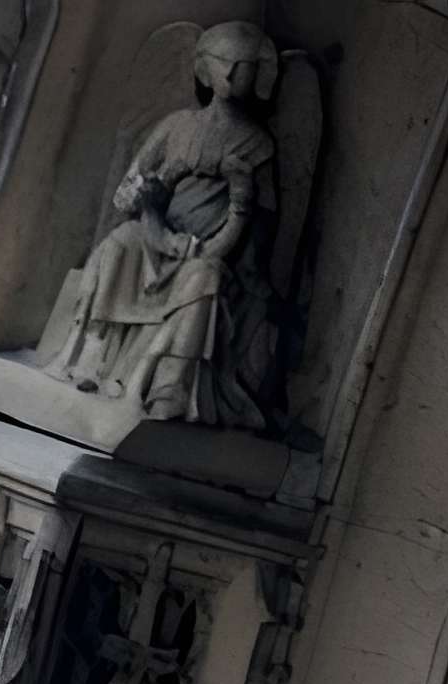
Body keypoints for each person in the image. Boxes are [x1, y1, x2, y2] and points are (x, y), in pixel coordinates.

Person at [40, 21, 280, 430]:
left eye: (246, 65)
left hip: (205, 252)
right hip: (155, 235)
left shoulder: (258, 145)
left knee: (203, 278)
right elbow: (127, 194)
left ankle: (170, 386)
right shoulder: (176, 126)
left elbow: (264, 227)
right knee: (118, 244)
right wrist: (163, 186)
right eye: (227, 63)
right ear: (205, 69)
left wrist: (241, 203)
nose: (235, 73)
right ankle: (91, 356)